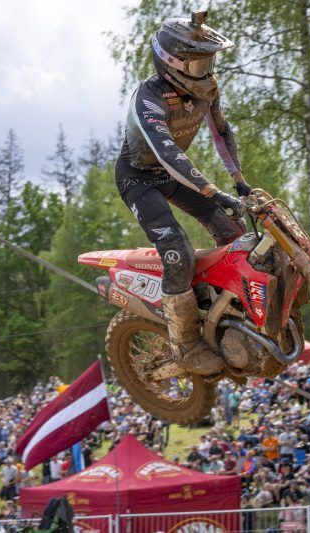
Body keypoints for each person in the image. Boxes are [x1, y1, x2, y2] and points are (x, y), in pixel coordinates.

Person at [116, 10, 249, 376]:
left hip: (172, 175)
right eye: (198, 63)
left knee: (235, 233)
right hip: (139, 178)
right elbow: (167, 153)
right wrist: (214, 191)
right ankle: (185, 345)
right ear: (172, 63)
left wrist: (239, 182)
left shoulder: (207, 89)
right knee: (178, 253)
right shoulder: (149, 98)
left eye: (210, 62)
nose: (206, 71)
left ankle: (225, 311)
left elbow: (222, 133)